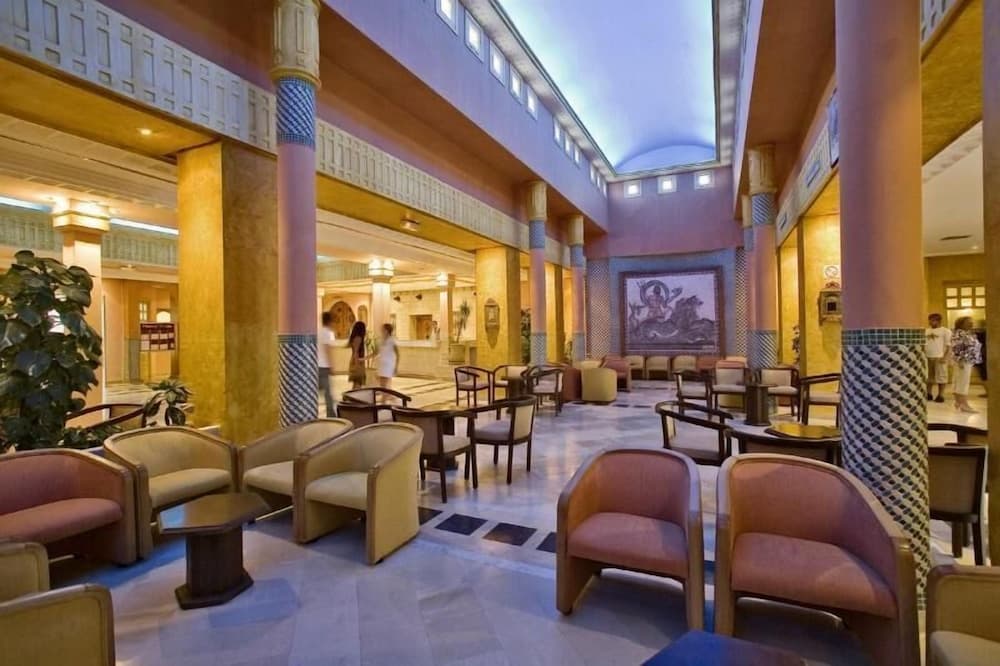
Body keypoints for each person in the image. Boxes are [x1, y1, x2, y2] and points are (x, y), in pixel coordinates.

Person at [951, 316, 982, 413]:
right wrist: (960, 360)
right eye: (968, 322)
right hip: (964, 361)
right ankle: (964, 405)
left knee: (960, 382)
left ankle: (958, 402)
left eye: (972, 322)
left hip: (968, 360)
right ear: (961, 324)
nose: (971, 324)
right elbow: (956, 348)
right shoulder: (960, 333)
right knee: (962, 383)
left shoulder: (967, 333)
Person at [925, 313, 951, 402]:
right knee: (929, 377)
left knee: (941, 377)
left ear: (939, 321)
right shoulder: (926, 331)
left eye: (933, 320)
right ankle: (929, 394)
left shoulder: (945, 331)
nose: (930, 322)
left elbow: (948, 346)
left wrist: (945, 357)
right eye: (930, 320)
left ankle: (940, 395)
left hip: (940, 357)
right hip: (928, 357)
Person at [317, 312, 337, 417]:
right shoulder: (329, 333)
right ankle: (331, 414)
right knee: (327, 392)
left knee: (320, 389)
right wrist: (332, 365)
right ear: (330, 321)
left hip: (316, 365)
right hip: (324, 366)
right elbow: (328, 350)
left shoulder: (319, 331)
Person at [376, 323, 399, 396]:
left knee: (384, 385)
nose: (381, 330)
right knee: (382, 384)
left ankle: (384, 400)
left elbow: (397, 354)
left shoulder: (392, 340)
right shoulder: (381, 340)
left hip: (389, 365)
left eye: (383, 329)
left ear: (387, 330)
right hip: (382, 364)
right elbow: (376, 352)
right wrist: (364, 359)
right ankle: (390, 397)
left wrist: (396, 367)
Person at [347, 321, 367, 390]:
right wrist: (357, 365)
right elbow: (356, 352)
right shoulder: (358, 338)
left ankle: (351, 396)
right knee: (358, 382)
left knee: (356, 383)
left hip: (356, 361)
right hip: (357, 361)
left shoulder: (356, 338)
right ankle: (355, 396)